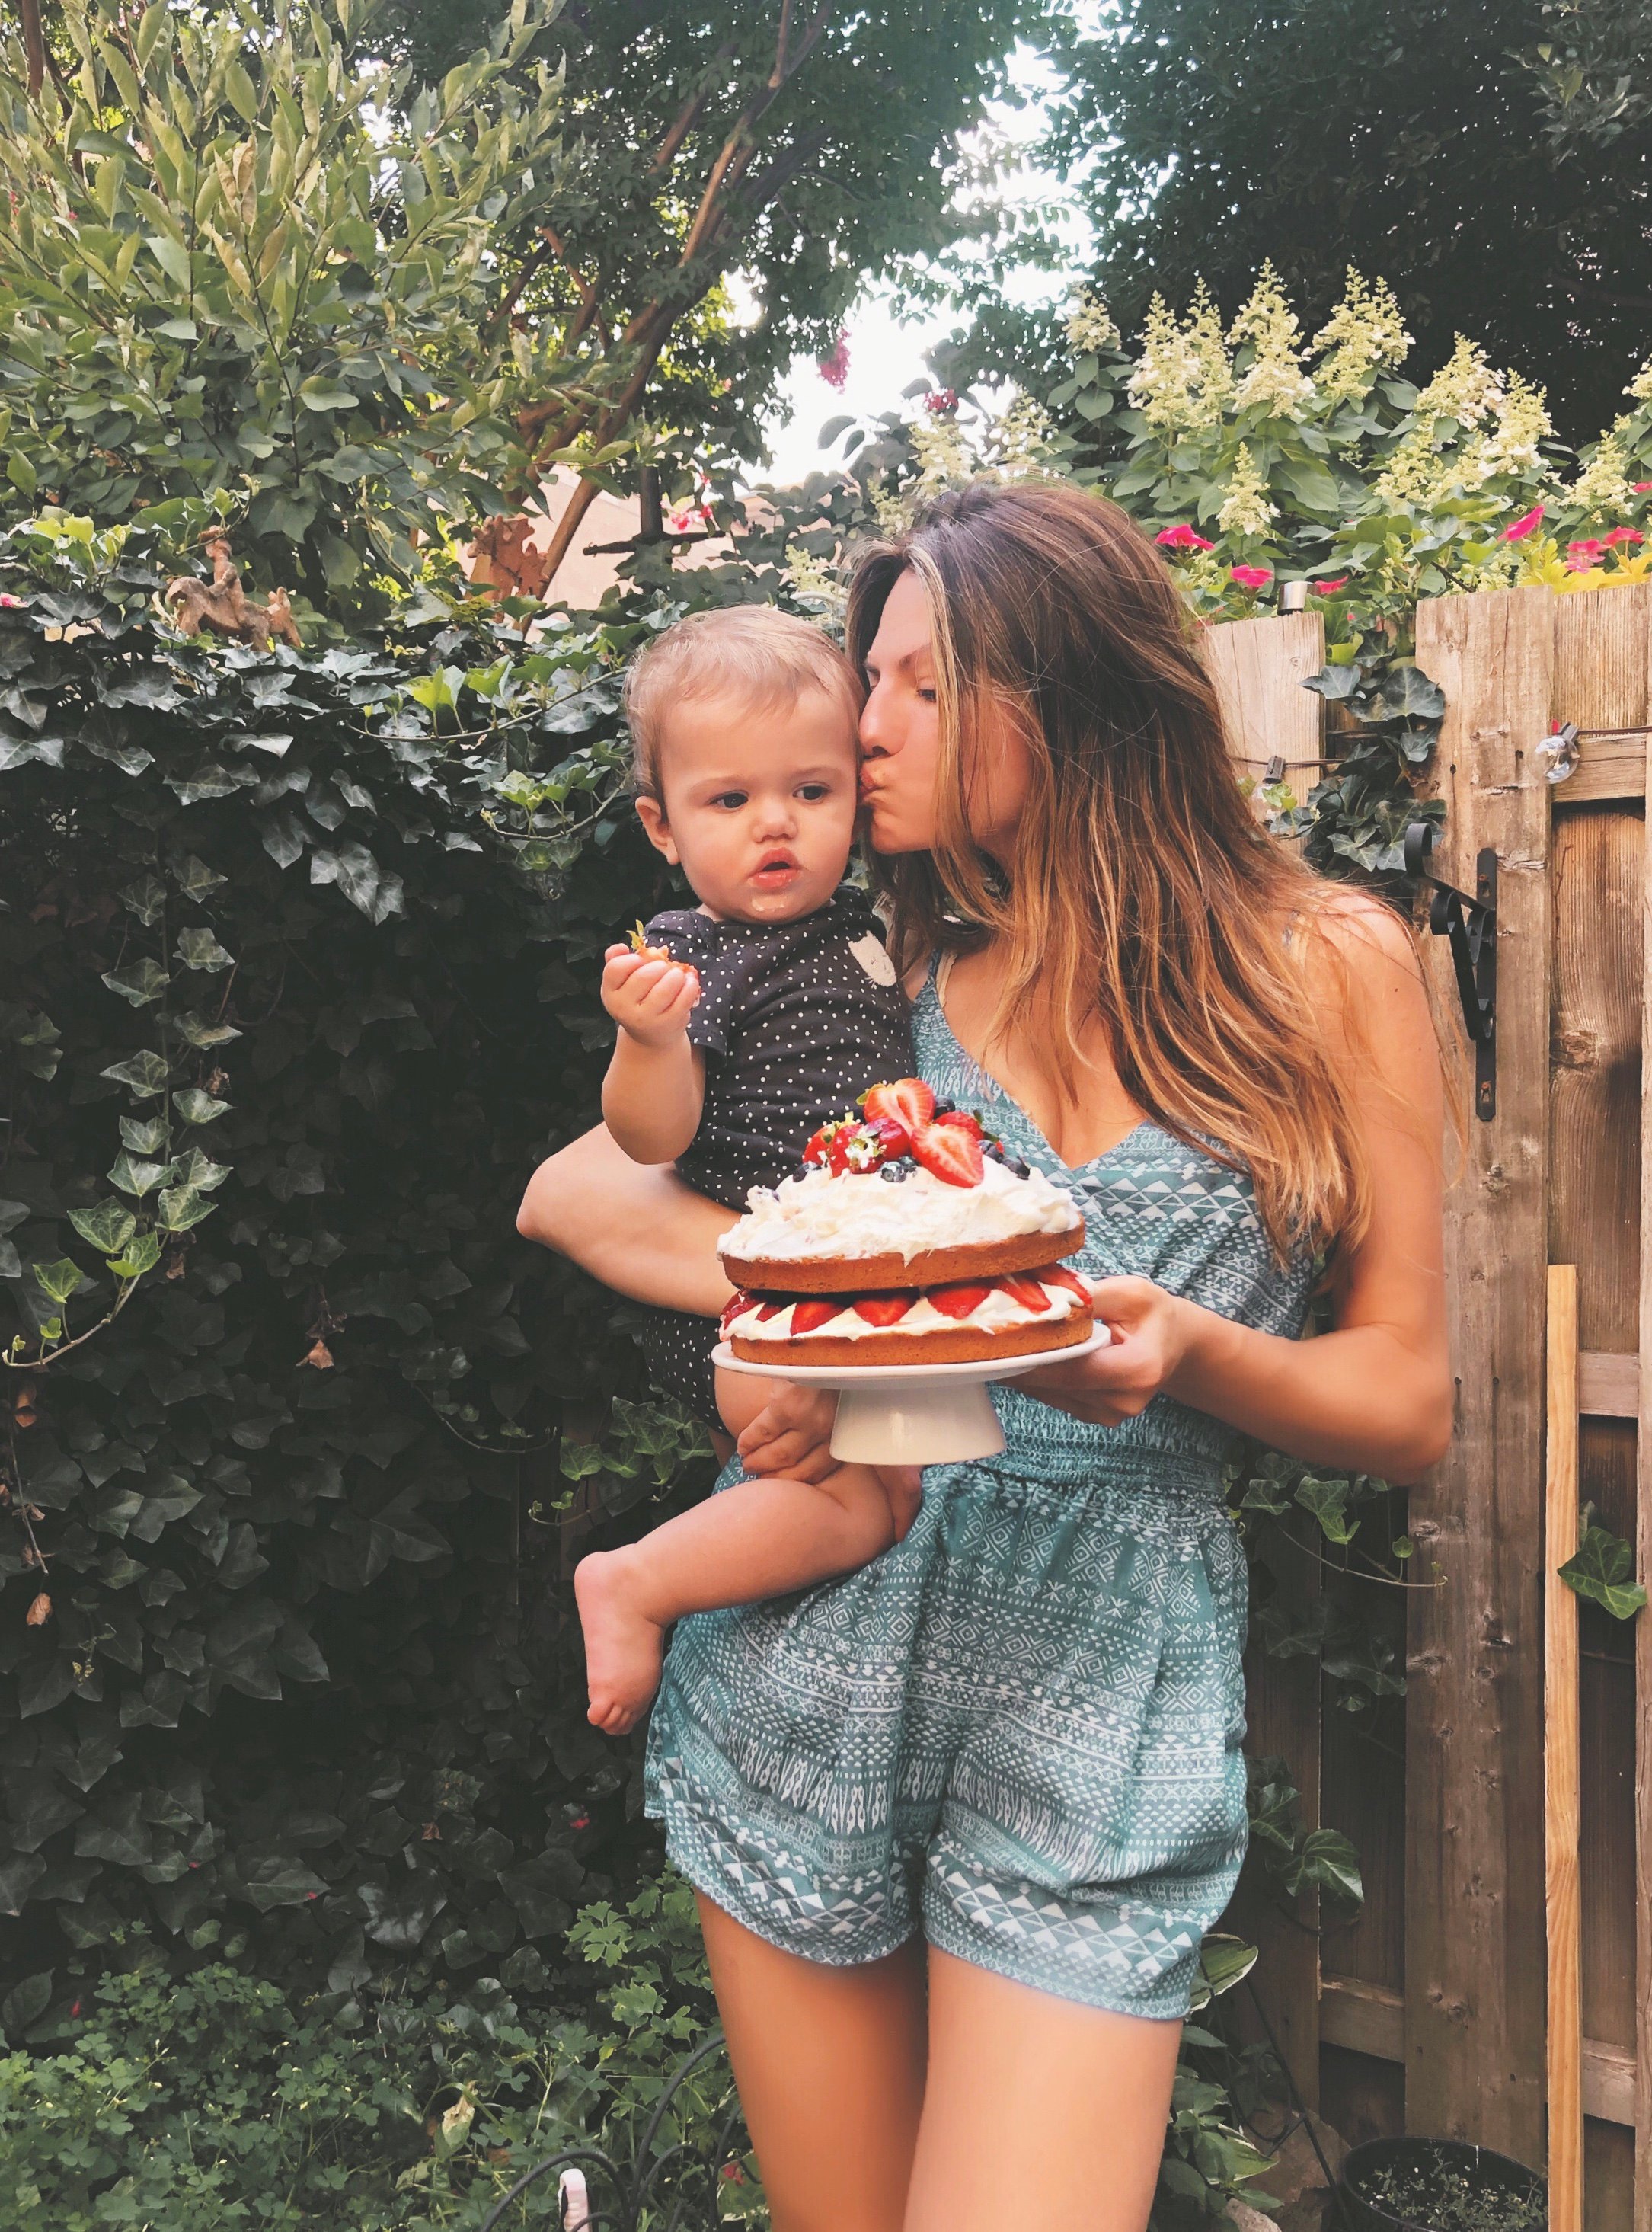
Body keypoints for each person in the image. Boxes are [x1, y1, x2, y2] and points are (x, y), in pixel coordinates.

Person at [519, 481, 1451, 2232]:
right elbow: (573, 1189)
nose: (860, 732)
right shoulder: (887, 973)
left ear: (1072, 691)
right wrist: (821, 1298)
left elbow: (1403, 1400)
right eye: (866, 682)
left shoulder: (1328, 969)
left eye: (916, 686)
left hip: (1101, 1709)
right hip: (815, 1649)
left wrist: (1184, 1350)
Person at [578, 605, 919, 1736]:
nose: (775, 824)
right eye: (729, 801)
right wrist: (648, 1042)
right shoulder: (691, 956)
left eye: (810, 793)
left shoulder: (856, 927)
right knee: (849, 1502)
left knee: (888, 1488)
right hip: (749, 1308)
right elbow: (649, 1139)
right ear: (662, 826)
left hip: (834, 1305)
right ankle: (633, 1582)